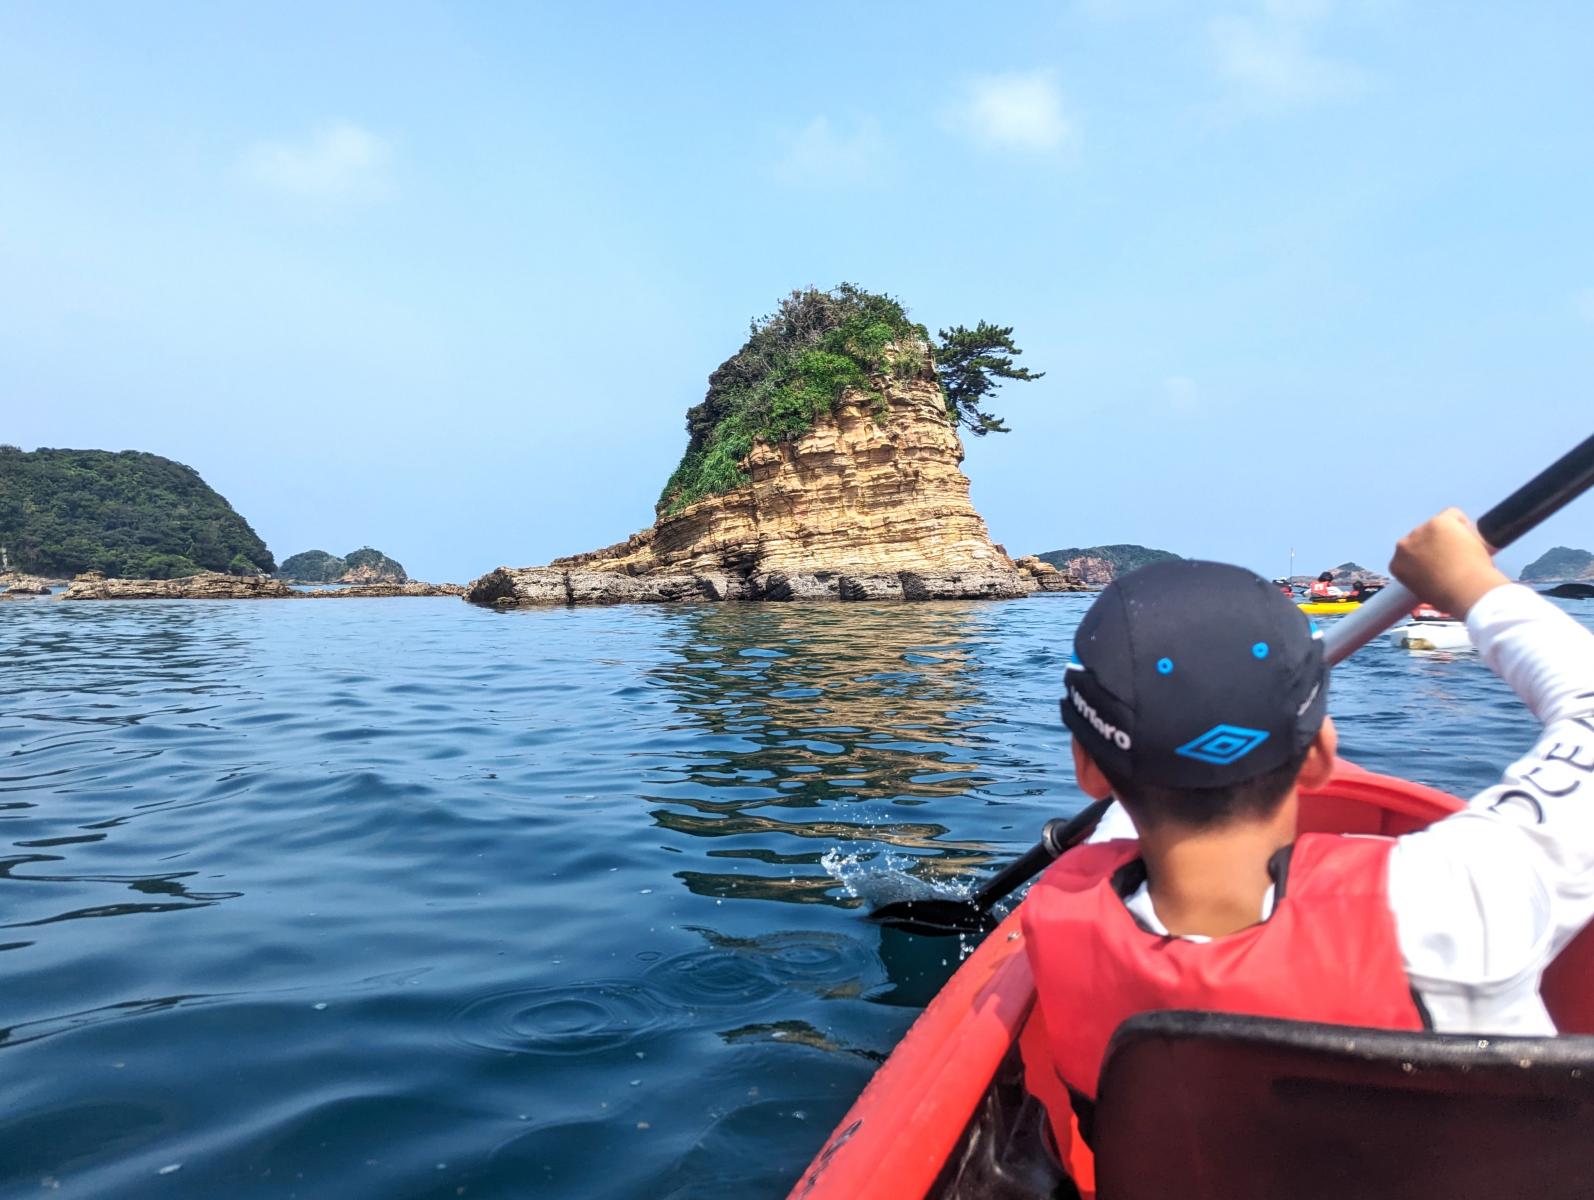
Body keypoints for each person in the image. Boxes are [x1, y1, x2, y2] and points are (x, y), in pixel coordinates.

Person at [1022, 508, 1594, 1143]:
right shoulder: (1452, 902)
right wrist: (1473, 584)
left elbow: (1124, 811)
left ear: (1088, 771)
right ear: (1322, 756)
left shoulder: (1057, 908)